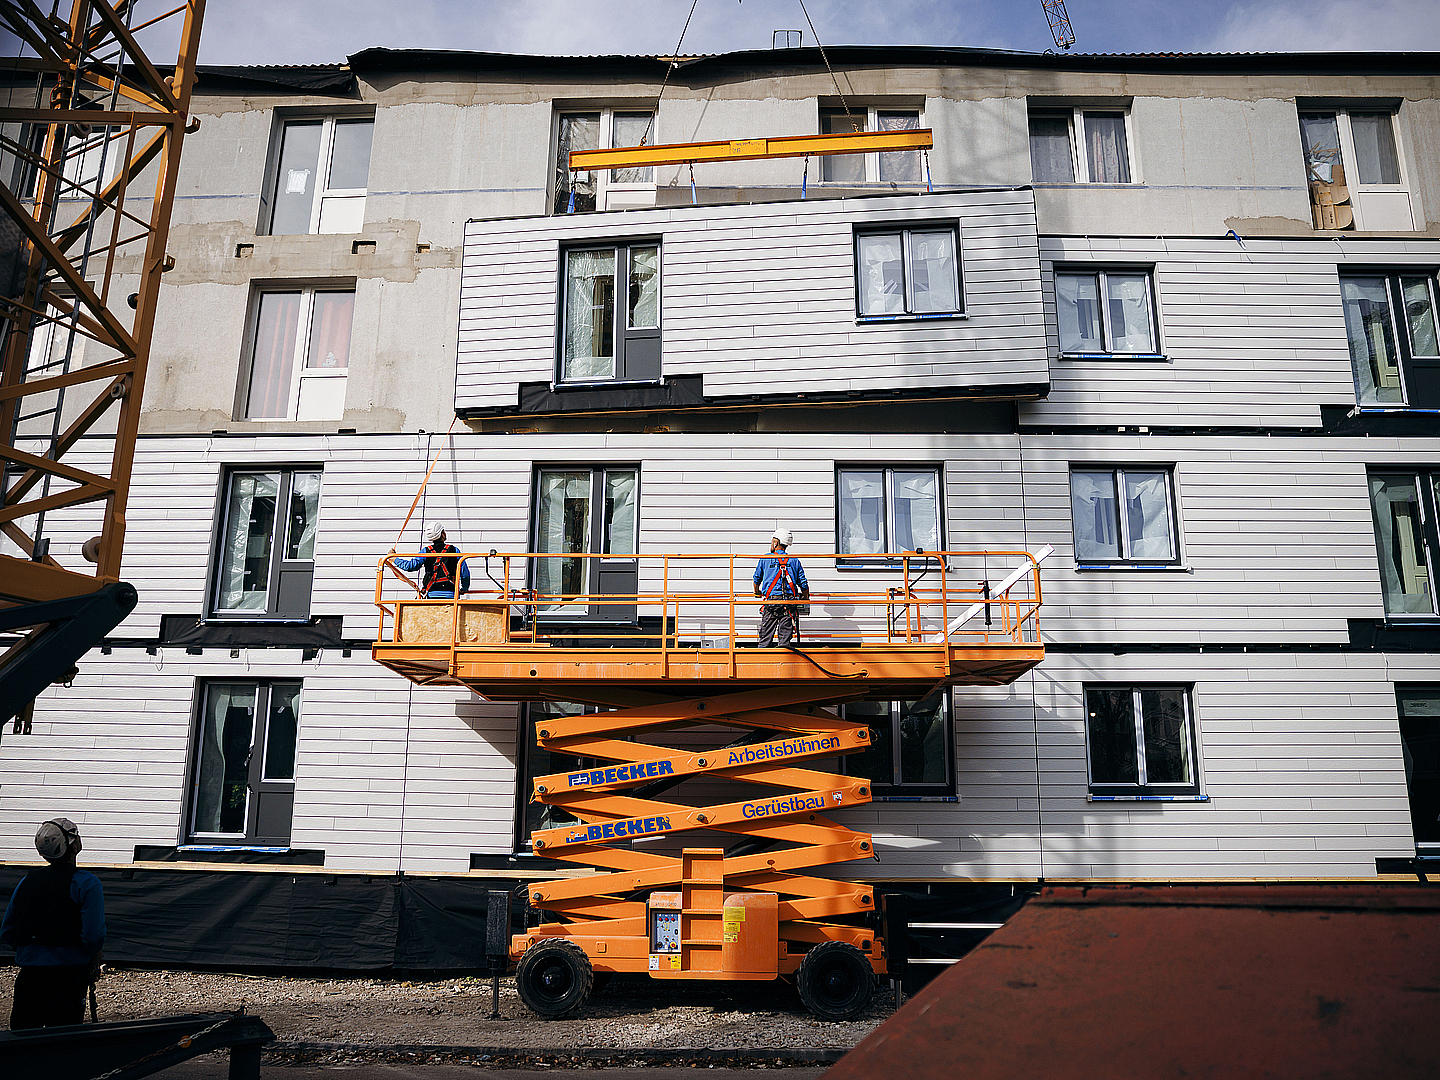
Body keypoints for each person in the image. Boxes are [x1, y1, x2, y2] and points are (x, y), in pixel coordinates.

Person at [1, 817, 105, 1029]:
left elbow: (7, 931)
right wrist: (92, 955)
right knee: (61, 1043)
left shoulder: (27, 881)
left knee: (24, 1043)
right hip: (68, 977)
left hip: (29, 977)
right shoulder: (87, 883)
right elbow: (93, 936)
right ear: (73, 845)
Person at [753, 527, 809, 648]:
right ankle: (783, 661)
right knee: (785, 640)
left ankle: (762, 660)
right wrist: (805, 597)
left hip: (772, 602)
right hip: (788, 603)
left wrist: (757, 592)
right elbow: (803, 584)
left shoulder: (766, 558)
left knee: (765, 638)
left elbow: (756, 579)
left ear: (776, 542)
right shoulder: (794, 561)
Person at [390, 521, 470, 598]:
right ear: (442, 534)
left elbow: (410, 566)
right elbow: (465, 574)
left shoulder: (426, 551)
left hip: (432, 594)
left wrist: (394, 558)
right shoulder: (455, 550)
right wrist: (464, 588)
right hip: (452, 595)